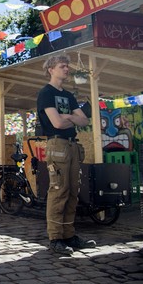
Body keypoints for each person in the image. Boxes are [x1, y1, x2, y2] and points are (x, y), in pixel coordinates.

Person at [37, 55, 95, 256]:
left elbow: (84, 120)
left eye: (67, 66)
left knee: (72, 192)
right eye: (62, 66)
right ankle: (55, 238)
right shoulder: (46, 93)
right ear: (51, 69)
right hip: (57, 145)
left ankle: (69, 235)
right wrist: (72, 118)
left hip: (72, 146)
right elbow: (57, 124)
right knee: (58, 191)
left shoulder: (69, 96)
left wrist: (68, 116)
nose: (67, 69)